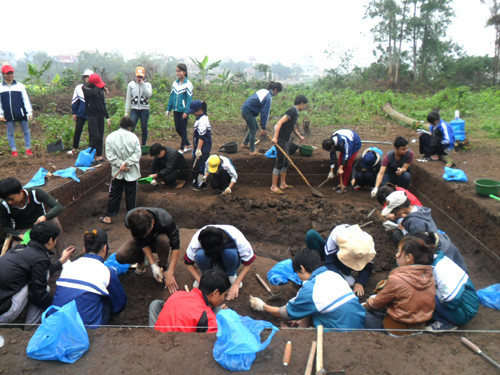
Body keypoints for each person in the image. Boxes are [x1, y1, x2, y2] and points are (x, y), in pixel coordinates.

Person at [249, 249, 365, 330]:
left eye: (297, 273)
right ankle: (302, 325)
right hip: (359, 323)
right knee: (315, 310)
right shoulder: (333, 275)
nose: (297, 276)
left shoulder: (310, 289)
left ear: (302, 269)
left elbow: (285, 313)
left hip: (339, 333)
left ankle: (301, 331)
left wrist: (262, 306)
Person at [0, 222, 74, 325]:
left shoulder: (19, 249)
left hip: (3, 301)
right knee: (41, 290)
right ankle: (32, 326)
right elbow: (38, 295)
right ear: (51, 240)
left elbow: (41, 270)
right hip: (3, 314)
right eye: (56, 239)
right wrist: (59, 305)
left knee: (37, 282)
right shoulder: (40, 258)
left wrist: (61, 261)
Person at [53, 229, 126, 328]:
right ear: (105, 248)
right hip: (85, 330)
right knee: (106, 299)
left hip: (55, 324)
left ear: (84, 249)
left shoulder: (70, 266)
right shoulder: (107, 271)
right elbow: (120, 303)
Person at [364, 237, 436, 334]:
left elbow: (375, 305)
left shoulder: (397, 280)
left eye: (399, 252)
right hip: (418, 329)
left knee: (360, 312)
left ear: (409, 258)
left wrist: (367, 303)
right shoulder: (430, 278)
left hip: (395, 331)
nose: (396, 255)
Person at [413, 232, 478, 332]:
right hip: (459, 304)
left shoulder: (440, 267)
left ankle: (445, 321)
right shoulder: (433, 261)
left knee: (422, 293)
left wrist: (430, 299)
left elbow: (451, 299)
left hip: (464, 310)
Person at [116, 207, 181, 293]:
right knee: (121, 255)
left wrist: (171, 271)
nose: (144, 236)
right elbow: (141, 241)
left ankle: (163, 267)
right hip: (142, 242)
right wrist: (153, 265)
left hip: (159, 240)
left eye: (146, 233)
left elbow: (176, 246)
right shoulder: (130, 220)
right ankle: (141, 262)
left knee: (163, 240)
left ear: (153, 223)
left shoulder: (165, 219)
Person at [184, 225, 256, 300]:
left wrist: (236, 283)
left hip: (227, 258)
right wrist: (201, 282)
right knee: (200, 255)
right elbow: (188, 263)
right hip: (210, 260)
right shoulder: (197, 240)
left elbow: (249, 262)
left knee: (230, 253)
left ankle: (230, 275)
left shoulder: (238, 239)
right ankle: (206, 275)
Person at [150, 268, 230, 332]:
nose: (223, 299)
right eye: (224, 295)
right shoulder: (206, 316)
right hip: (176, 349)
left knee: (156, 304)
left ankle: (152, 334)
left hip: (158, 340)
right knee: (219, 312)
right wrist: (218, 317)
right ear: (215, 293)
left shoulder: (177, 294)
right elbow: (213, 340)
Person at [0, 177, 65, 256]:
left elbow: (57, 207)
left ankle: (62, 255)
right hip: (23, 230)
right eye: (6, 200)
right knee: (17, 249)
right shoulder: (4, 205)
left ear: (20, 191)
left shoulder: (35, 193)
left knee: (54, 222)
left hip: (40, 224)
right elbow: (6, 227)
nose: (9, 202)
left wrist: (45, 217)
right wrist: (17, 235)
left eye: (11, 199)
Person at [305, 224, 376, 297]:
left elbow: (368, 266)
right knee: (311, 235)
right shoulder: (337, 234)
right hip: (334, 255)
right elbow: (329, 260)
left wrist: (360, 282)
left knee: (349, 281)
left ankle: (344, 272)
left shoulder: (369, 246)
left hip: (342, 263)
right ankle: (322, 269)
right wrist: (341, 282)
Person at [98, 117, 142, 224]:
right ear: (130, 127)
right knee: (131, 195)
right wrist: (126, 163)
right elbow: (137, 154)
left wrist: (120, 164)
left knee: (114, 194)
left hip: (117, 172)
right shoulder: (133, 137)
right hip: (131, 171)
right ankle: (130, 219)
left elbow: (110, 156)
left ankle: (109, 217)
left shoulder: (110, 137)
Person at [270, 95, 307, 195]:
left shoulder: (295, 113)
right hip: (281, 140)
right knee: (280, 161)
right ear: (302, 104)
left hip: (286, 140)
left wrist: (300, 137)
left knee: (286, 162)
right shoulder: (291, 111)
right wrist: (275, 137)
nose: (305, 107)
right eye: (305, 105)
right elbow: (279, 122)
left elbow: (293, 128)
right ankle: (273, 186)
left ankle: (283, 184)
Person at [241, 82, 283, 156]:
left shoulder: (264, 91)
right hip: (248, 111)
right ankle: (252, 151)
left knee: (255, 127)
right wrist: (263, 127)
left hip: (246, 109)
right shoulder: (268, 97)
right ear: (275, 90)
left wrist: (261, 126)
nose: (277, 94)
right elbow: (264, 113)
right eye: (278, 92)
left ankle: (244, 144)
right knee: (253, 130)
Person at [0, 65, 33, 157]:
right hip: (8, 113)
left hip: (21, 112)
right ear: (4, 74)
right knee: (10, 133)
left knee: (26, 131)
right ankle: (14, 150)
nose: (10, 75)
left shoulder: (20, 86)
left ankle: (28, 149)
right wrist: (1, 114)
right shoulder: (1, 88)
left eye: (11, 73)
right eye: (8, 74)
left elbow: (26, 99)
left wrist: (29, 112)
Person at [321, 129, 362, 193]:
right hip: (344, 146)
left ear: (332, 146)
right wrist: (331, 171)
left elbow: (347, 155)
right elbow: (333, 157)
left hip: (354, 143)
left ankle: (344, 185)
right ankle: (340, 184)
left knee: (347, 164)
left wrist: (341, 167)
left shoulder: (345, 141)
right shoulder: (331, 142)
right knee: (339, 163)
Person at [82, 73, 111, 163]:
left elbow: (102, 103)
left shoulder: (99, 91)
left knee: (101, 136)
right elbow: (93, 93)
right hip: (92, 116)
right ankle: (90, 156)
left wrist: (107, 117)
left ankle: (99, 155)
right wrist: (101, 88)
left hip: (100, 115)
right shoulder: (85, 88)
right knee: (95, 136)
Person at [165, 63, 193, 153]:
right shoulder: (175, 83)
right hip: (176, 110)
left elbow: (189, 100)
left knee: (183, 129)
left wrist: (186, 111)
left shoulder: (188, 84)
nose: (178, 73)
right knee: (178, 129)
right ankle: (188, 144)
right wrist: (168, 109)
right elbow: (171, 97)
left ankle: (182, 148)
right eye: (177, 71)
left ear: (184, 72)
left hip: (183, 110)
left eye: (179, 71)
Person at [125, 66, 152, 146]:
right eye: (138, 76)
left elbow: (149, 94)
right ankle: (130, 144)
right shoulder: (131, 85)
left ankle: (143, 145)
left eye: (141, 76)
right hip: (134, 109)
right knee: (131, 127)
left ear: (143, 76)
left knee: (144, 127)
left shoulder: (147, 84)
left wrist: (143, 84)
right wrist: (126, 111)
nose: (139, 78)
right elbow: (128, 98)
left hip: (144, 109)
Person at [190, 100, 212, 191]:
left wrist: (199, 149)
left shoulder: (202, 121)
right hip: (199, 147)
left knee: (201, 165)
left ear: (200, 110)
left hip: (203, 148)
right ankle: (196, 180)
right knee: (196, 165)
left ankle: (201, 183)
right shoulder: (200, 118)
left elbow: (201, 137)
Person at [70, 69, 93, 155]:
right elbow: (75, 100)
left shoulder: (95, 88)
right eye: (86, 77)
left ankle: (91, 148)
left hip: (91, 113)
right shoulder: (78, 88)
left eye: (88, 77)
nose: (87, 79)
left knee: (92, 131)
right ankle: (74, 148)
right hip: (81, 113)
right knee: (78, 130)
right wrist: (74, 112)